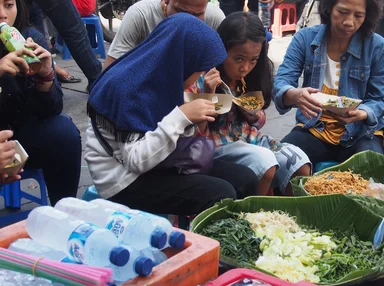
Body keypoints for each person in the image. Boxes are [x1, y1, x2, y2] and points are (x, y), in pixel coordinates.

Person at [85, 13, 258, 215]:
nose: (198, 78)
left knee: (246, 178)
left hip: (158, 161)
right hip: (122, 178)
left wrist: (204, 101)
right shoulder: (126, 88)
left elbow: (185, 137)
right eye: (199, 70)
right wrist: (181, 116)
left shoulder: (162, 76)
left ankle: (247, 236)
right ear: (183, 62)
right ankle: (208, 245)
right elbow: (135, 161)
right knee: (221, 193)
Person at [274, 0, 384, 166]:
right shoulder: (305, 39)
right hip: (314, 128)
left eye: (358, 15)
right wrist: (294, 95)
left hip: (361, 132)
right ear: (329, 8)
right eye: (342, 12)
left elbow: (380, 100)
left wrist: (362, 112)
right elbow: (282, 82)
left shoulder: (378, 47)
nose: (349, 22)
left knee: (371, 170)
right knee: (282, 162)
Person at [188, 12, 311, 195]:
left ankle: (289, 214)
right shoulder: (201, 79)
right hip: (216, 145)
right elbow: (197, 134)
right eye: (239, 59)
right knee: (265, 163)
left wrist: (252, 112)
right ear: (221, 50)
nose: (245, 67)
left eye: (253, 60)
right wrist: (208, 95)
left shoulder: (251, 76)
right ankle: (255, 218)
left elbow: (259, 120)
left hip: (250, 138)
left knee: (300, 162)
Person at [0, 0, 81, 205]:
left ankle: (63, 212)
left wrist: (45, 76)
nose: (3, 15)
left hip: (17, 139)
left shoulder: (28, 38)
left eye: (8, 4)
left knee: (63, 130)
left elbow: (48, 112)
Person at [105, 0, 225, 67]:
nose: (187, 21)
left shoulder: (214, 19)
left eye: (197, 15)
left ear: (207, 3)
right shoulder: (140, 15)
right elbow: (109, 71)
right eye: (181, 12)